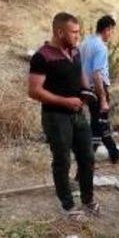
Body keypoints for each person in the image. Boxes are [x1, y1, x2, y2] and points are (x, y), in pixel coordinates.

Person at [27, 12, 98, 219]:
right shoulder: (42, 57)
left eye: (78, 31)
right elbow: (34, 91)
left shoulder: (74, 50)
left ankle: (88, 199)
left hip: (77, 113)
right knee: (62, 161)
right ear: (59, 32)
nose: (78, 36)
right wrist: (65, 101)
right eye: (73, 32)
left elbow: (80, 72)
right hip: (55, 117)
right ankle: (67, 205)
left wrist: (87, 91)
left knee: (87, 157)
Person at [80, 14, 119, 163]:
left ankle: (113, 153)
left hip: (85, 87)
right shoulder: (100, 47)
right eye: (111, 31)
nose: (111, 34)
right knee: (99, 123)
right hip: (97, 88)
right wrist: (102, 99)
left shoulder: (86, 41)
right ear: (107, 29)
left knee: (99, 122)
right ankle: (88, 158)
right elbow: (97, 73)